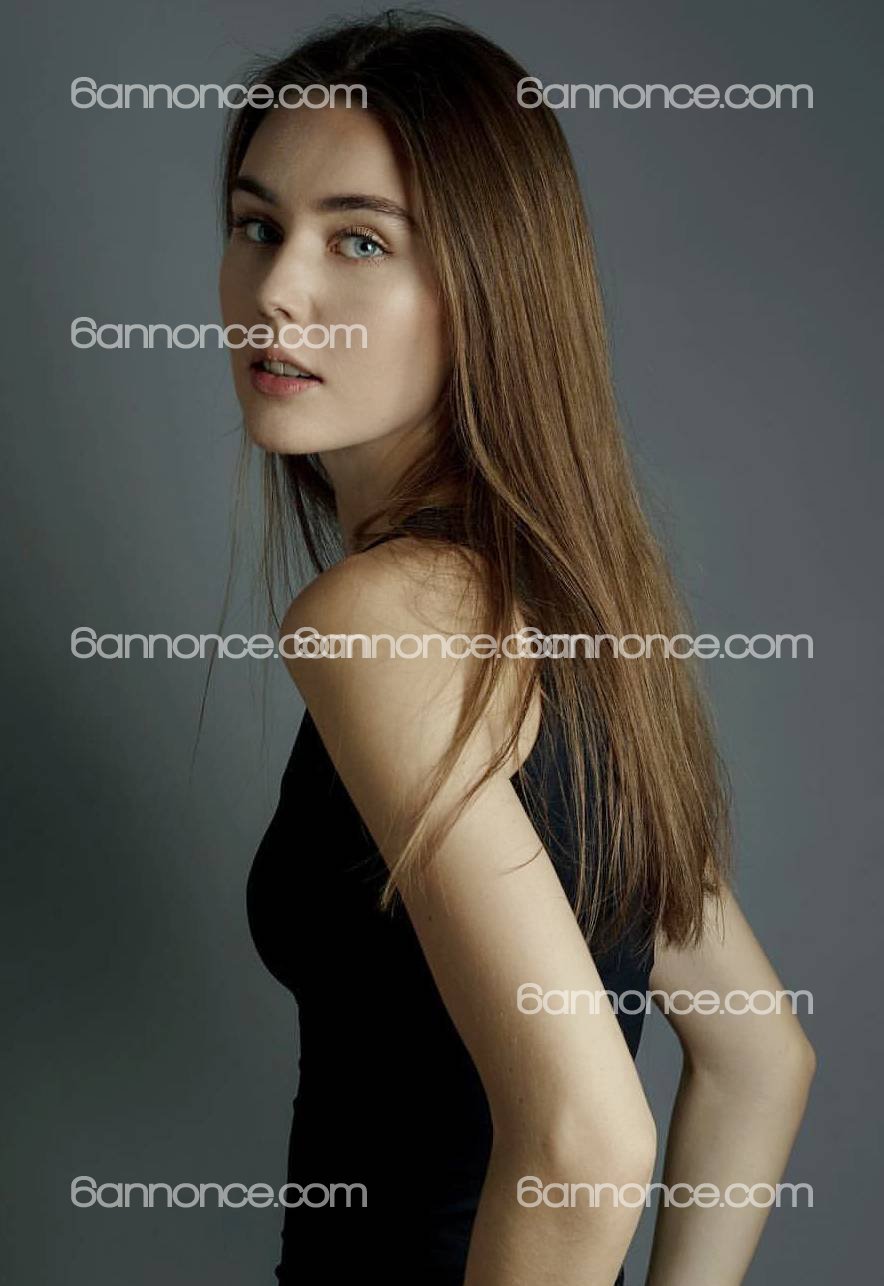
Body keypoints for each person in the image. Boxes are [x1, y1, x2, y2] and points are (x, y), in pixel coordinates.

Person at [216, 12, 816, 1284]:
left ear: (487, 288)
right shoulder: (568, 604)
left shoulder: (376, 617)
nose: (276, 289)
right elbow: (756, 1052)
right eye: (258, 225)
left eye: (358, 240)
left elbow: (588, 1141)